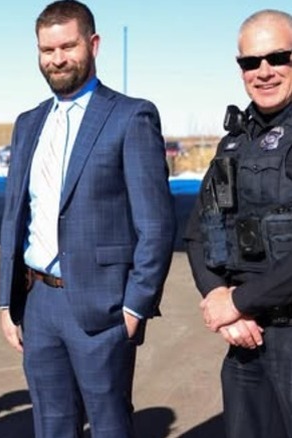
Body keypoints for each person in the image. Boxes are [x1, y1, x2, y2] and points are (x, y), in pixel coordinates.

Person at [0, 1, 176, 437]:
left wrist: (135, 306)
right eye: (46, 50)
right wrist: (7, 300)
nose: (57, 59)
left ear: (93, 44)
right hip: (37, 304)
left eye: (67, 46)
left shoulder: (131, 116)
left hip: (104, 309)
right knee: (51, 426)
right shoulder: (28, 123)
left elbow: (156, 223)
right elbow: (14, 215)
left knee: (110, 425)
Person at [185, 9, 292, 438]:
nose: (263, 72)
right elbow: (198, 230)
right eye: (251, 62)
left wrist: (240, 300)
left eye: (278, 57)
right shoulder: (236, 140)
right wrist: (218, 298)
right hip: (245, 339)